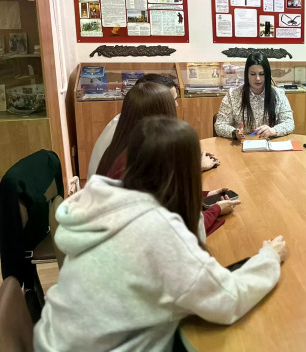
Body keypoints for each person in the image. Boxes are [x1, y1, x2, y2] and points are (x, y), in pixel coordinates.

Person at [34, 117, 287, 351]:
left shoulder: (106, 199)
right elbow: (228, 300)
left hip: (55, 340)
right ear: (187, 173)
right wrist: (268, 258)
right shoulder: (158, 230)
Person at [87, 74, 218, 178]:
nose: (176, 106)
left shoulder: (131, 123)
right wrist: (196, 168)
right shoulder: (135, 138)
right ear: (154, 102)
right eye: (171, 101)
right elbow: (160, 184)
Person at [215, 52, 295, 140]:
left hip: (270, 143)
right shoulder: (233, 95)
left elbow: (289, 123)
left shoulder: (278, 94)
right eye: (253, 74)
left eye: (262, 74)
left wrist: (273, 130)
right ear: (247, 75)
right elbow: (220, 125)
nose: (257, 78)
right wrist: (234, 133)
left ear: (267, 75)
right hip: (242, 144)